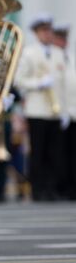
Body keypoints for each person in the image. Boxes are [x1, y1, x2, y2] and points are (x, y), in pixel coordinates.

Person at [14, 13, 67, 201]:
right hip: (37, 110)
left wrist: (65, 111)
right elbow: (19, 80)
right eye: (43, 31)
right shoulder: (29, 53)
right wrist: (38, 83)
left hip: (55, 111)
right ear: (36, 33)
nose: (47, 34)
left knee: (55, 154)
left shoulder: (59, 54)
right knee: (38, 152)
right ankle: (37, 189)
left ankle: (51, 188)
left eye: (49, 30)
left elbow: (63, 85)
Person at [51, 23, 76, 199]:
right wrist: (62, 109)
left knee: (72, 153)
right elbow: (56, 87)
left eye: (64, 38)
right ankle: (61, 188)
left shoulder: (70, 57)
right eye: (60, 38)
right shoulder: (53, 56)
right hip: (57, 111)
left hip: (72, 112)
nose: (63, 41)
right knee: (59, 154)